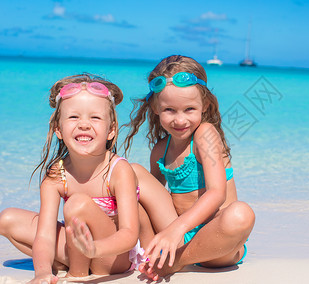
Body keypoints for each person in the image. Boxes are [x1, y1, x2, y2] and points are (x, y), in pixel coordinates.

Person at [123, 55, 255, 280]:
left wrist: (176, 230)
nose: (180, 120)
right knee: (131, 172)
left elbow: (216, 193)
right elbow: (148, 199)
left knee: (241, 214)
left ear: (205, 105)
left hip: (217, 241)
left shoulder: (206, 135)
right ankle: (149, 254)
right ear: (155, 107)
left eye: (189, 109)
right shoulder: (160, 150)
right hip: (177, 237)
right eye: (170, 110)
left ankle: (175, 262)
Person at [0, 74, 140, 283]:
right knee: (7, 219)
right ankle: (58, 265)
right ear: (58, 129)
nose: (84, 124)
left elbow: (129, 234)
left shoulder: (118, 170)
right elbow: (45, 235)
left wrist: (94, 249)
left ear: (111, 130)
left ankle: (77, 273)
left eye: (95, 117)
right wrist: (42, 272)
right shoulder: (56, 175)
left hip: (112, 257)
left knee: (77, 203)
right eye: (74, 117)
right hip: (78, 246)